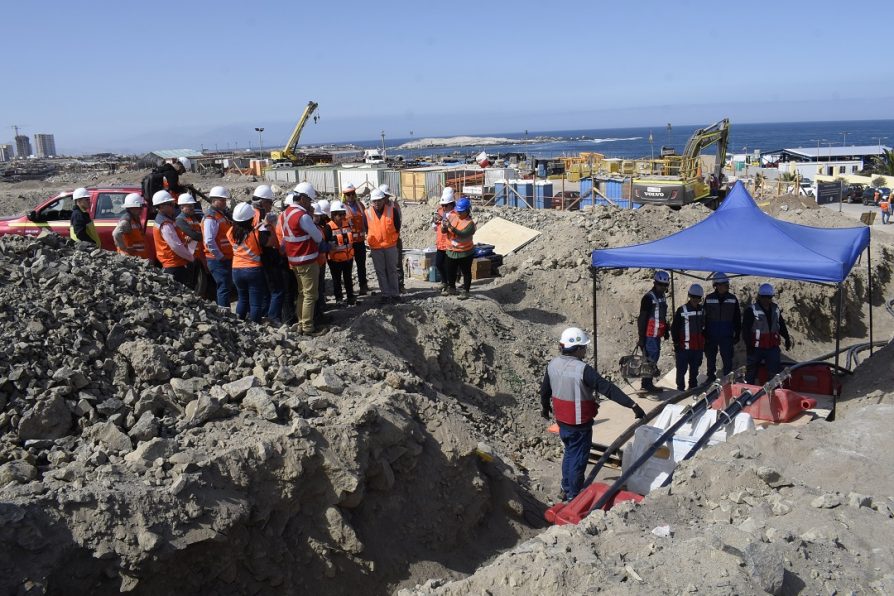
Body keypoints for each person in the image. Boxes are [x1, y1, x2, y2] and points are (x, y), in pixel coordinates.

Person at [540, 327, 645, 501]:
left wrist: (545, 407)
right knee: (578, 460)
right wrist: (632, 405)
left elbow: (545, 390)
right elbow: (608, 389)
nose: (585, 350)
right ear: (578, 348)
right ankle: (573, 497)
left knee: (569, 453)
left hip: (563, 421)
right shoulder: (582, 369)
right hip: (579, 423)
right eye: (584, 347)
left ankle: (565, 487)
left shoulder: (552, 364)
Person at [278, 182, 325, 335]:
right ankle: (307, 327)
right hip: (307, 260)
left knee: (302, 293)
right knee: (310, 295)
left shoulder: (285, 213)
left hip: (294, 260)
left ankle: (301, 323)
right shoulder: (302, 216)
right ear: (303, 199)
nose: (310, 204)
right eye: (310, 200)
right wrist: (311, 216)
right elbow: (318, 237)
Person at [742, 283, 792, 385]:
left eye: (769, 297)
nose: (766, 299)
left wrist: (786, 338)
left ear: (771, 297)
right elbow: (745, 330)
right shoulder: (751, 310)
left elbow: (781, 325)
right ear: (759, 296)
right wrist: (749, 346)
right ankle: (747, 392)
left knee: (774, 372)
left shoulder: (775, 309)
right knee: (751, 371)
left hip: (772, 347)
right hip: (756, 348)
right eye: (764, 297)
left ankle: (772, 393)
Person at [227, 202, 269, 323]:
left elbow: (243, 234)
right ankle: (255, 326)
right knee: (255, 303)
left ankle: (239, 322)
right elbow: (266, 242)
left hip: (236, 269)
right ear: (250, 219)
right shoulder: (255, 234)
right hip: (253, 270)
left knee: (242, 299)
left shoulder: (230, 232)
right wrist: (267, 226)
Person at [252, 185, 284, 326]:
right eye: (270, 202)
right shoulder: (262, 217)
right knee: (277, 289)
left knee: (265, 290)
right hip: (268, 255)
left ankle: (263, 316)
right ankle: (273, 318)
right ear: (263, 202)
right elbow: (265, 240)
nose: (271, 206)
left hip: (257, 257)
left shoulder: (251, 214)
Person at [365, 188, 401, 303]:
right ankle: (385, 294)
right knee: (380, 271)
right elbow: (366, 229)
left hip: (390, 246)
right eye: (374, 201)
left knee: (392, 270)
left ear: (383, 200)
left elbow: (397, 226)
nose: (377, 203)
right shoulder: (367, 213)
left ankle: (395, 294)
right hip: (376, 248)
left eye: (379, 200)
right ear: (371, 201)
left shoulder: (392, 211)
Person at [703, 272, 741, 381]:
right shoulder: (709, 298)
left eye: (726, 284)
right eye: (724, 284)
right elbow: (704, 317)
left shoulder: (733, 299)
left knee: (727, 360)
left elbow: (737, 318)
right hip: (711, 335)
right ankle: (710, 379)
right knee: (711, 359)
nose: (727, 286)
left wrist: (737, 333)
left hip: (726, 335)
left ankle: (727, 382)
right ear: (717, 285)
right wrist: (704, 333)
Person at [637, 270, 670, 392]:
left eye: (665, 285)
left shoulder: (662, 297)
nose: (663, 287)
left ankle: (647, 383)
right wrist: (641, 338)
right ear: (655, 283)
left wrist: (665, 330)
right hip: (649, 334)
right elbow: (642, 318)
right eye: (661, 284)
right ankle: (645, 385)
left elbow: (661, 316)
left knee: (653, 357)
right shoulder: (648, 298)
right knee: (650, 359)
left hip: (657, 334)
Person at [152, 190, 194, 285]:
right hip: (174, 264)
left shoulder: (167, 220)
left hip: (174, 262)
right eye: (170, 204)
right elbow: (175, 246)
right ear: (161, 206)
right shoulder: (165, 223)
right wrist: (190, 257)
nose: (173, 206)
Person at [202, 186, 233, 308]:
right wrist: (220, 256)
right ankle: (225, 313)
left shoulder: (220, 215)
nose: (225, 203)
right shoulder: (211, 217)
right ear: (214, 200)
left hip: (224, 257)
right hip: (217, 259)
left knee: (226, 286)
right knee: (223, 287)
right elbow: (209, 240)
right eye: (222, 200)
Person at [671, 284, 706, 391]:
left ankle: (692, 389)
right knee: (681, 370)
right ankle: (680, 390)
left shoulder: (702, 310)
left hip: (697, 348)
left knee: (694, 371)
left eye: (698, 297)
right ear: (690, 296)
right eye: (694, 297)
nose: (696, 299)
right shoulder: (681, 310)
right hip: (683, 348)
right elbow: (674, 328)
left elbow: (704, 327)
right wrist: (676, 343)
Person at [442, 197, 476, 299]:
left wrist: (451, 228)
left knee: (466, 272)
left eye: (461, 212)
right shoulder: (453, 217)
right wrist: (444, 228)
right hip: (451, 250)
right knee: (450, 270)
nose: (459, 213)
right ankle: (451, 288)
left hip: (465, 252)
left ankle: (466, 291)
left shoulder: (470, 224)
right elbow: (445, 231)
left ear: (467, 210)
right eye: (458, 211)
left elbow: (463, 234)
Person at [327, 201, 356, 306]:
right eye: (340, 214)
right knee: (337, 280)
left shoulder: (347, 224)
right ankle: (339, 298)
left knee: (348, 279)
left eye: (344, 214)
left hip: (348, 258)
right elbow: (326, 243)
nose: (343, 216)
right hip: (335, 260)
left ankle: (350, 297)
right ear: (334, 215)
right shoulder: (328, 227)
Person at [342, 184, 369, 295]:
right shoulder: (341, 207)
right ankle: (350, 290)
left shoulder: (360, 205)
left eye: (353, 193)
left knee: (361, 265)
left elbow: (366, 221)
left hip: (360, 241)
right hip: (348, 243)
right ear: (344, 195)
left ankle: (363, 286)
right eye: (348, 194)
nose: (351, 196)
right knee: (348, 266)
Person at [379, 184, 405, 293]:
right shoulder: (376, 208)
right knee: (384, 266)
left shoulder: (394, 207)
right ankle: (388, 288)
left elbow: (397, 224)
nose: (384, 198)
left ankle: (399, 286)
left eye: (385, 196)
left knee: (397, 264)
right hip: (381, 241)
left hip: (394, 240)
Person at [432, 187, 456, 291]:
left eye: (446, 205)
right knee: (438, 264)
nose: (444, 207)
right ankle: (444, 282)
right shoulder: (439, 211)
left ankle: (451, 285)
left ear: (451, 203)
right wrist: (434, 221)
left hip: (450, 244)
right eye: (442, 205)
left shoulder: (455, 214)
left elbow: (455, 227)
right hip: (440, 243)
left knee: (448, 266)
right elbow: (434, 225)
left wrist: (443, 221)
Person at [112, 193, 147, 258]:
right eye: (139, 207)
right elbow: (116, 233)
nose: (141, 209)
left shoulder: (135, 219)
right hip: (130, 257)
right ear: (132, 208)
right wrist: (125, 249)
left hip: (137, 257)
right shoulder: (126, 221)